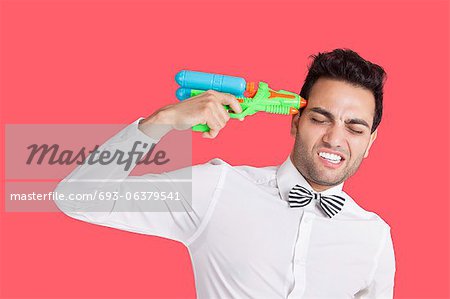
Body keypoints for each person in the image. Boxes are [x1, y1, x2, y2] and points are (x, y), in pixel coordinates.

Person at [55, 48, 396, 298]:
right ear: (295, 122)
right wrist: (158, 124)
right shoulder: (218, 189)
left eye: (354, 127)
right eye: (320, 119)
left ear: (370, 142)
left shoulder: (374, 237)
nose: (334, 138)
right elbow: (78, 199)